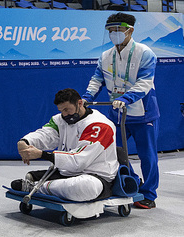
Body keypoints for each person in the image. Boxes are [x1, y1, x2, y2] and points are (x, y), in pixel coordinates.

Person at [81, 12, 160, 209]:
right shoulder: (105, 56)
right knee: (114, 153)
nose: (113, 33)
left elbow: (145, 83)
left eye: (117, 30)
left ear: (129, 30)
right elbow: (97, 79)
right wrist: (87, 97)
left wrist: (127, 98)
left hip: (143, 113)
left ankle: (149, 194)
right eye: (110, 30)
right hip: (116, 114)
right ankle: (133, 182)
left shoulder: (145, 53)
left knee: (147, 156)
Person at [12, 88, 119, 202]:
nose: (65, 114)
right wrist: (25, 142)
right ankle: (52, 185)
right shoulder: (60, 120)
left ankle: (37, 188)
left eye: (67, 109)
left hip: (96, 176)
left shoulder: (100, 125)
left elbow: (78, 162)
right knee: (70, 182)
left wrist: (41, 154)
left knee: (86, 186)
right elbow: (46, 135)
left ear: (80, 103)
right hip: (68, 172)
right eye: (61, 110)